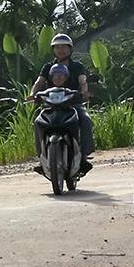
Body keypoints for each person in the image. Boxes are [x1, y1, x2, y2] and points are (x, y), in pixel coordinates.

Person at [30, 33, 93, 175]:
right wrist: (32, 94)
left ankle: (83, 156)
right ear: (53, 50)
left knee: (85, 120)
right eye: (57, 47)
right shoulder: (48, 67)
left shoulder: (77, 66)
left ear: (70, 49)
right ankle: (43, 158)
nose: (60, 50)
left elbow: (83, 80)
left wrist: (84, 92)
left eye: (63, 47)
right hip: (51, 105)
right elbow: (39, 82)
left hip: (73, 104)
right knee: (37, 123)